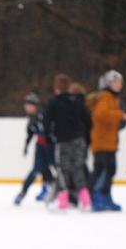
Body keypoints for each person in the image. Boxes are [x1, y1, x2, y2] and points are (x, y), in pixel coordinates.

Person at [43, 74, 92, 211]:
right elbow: (88, 121)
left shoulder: (55, 103)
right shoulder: (78, 102)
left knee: (63, 170)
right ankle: (86, 201)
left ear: (57, 88)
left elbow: (47, 122)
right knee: (78, 169)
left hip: (63, 141)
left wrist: (48, 138)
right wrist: (86, 138)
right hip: (79, 140)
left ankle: (63, 202)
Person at [88, 69, 126, 212]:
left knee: (110, 170)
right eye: (115, 82)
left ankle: (106, 196)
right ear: (107, 83)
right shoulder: (105, 97)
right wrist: (121, 116)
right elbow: (101, 114)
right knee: (102, 170)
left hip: (110, 142)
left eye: (120, 82)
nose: (118, 85)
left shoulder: (114, 99)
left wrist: (120, 123)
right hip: (101, 142)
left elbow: (111, 121)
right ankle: (95, 197)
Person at [14, 93, 55, 205]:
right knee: (38, 169)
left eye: (28, 105)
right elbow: (30, 133)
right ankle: (24, 192)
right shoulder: (32, 117)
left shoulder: (42, 115)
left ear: (34, 106)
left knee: (51, 168)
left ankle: (54, 190)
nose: (26, 107)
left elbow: (50, 129)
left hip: (49, 146)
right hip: (40, 146)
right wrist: (26, 145)